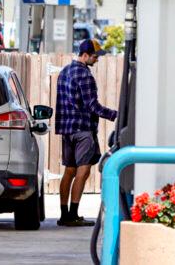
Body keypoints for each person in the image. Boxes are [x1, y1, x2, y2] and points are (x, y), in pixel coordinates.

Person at [55, 39, 117, 227]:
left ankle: (64, 214)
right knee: (83, 171)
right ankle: (73, 215)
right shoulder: (85, 75)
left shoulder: (65, 72)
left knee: (69, 171)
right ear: (85, 55)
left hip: (67, 130)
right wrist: (115, 115)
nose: (97, 60)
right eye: (95, 56)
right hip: (83, 130)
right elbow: (93, 106)